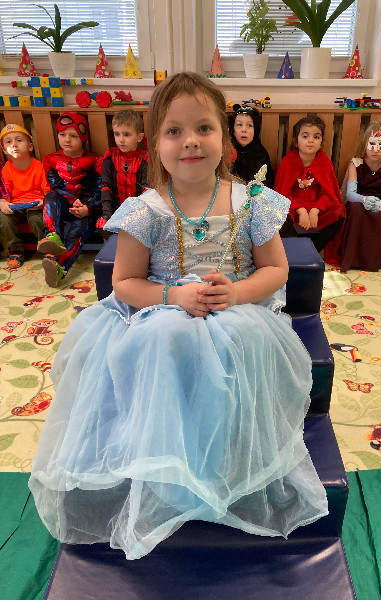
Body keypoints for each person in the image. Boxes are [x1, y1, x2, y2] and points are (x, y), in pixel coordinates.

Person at [29, 72, 328, 560]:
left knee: (238, 339)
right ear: (156, 145)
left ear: (226, 139)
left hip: (236, 310)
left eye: (204, 128)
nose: (190, 141)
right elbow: (126, 282)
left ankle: (222, 460)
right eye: (174, 131)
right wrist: (173, 296)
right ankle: (168, 466)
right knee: (168, 336)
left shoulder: (250, 202)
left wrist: (237, 292)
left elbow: (275, 269)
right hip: (163, 309)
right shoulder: (145, 209)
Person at [37, 112, 102, 287]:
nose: (67, 140)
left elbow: (101, 191)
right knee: (50, 196)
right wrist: (72, 199)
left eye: (73, 136)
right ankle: (52, 236)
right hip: (65, 204)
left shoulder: (94, 161)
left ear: (83, 137)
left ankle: (59, 267)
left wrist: (88, 208)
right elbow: (55, 186)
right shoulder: (51, 160)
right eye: (62, 134)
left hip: (88, 210)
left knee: (77, 231)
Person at [274, 116, 345, 266]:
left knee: (339, 214)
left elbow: (328, 193)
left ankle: (312, 250)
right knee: (279, 216)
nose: (311, 140)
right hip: (293, 207)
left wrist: (316, 210)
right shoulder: (287, 162)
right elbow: (282, 194)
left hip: (316, 206)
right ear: (296, 141)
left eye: (316, 137)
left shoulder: (325, 162)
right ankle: (296, 251)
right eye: (305, 136)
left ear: (321, 141)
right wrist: (300, 210)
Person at [339, 119, 381, 275]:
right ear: (365, 143)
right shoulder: (355, 163)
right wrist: (364, 199)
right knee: (355, 210)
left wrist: (380, 204)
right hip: (359, 202)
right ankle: (353, 259)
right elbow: (350, 194)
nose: (375, 150)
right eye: (372, 144)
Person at [0, 124, 49, 268]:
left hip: (35, 206)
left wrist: (43, 202)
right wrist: (3, 203)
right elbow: (5, 194)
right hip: (16, 207)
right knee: (3, 218)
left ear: (30, 146)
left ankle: (47, 248)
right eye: (8, 142)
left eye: (19, 140)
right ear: (4, 149)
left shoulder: (39, 166)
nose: (14, 144)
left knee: (35, 219)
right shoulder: (6, 169)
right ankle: (16, 250)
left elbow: (47, 192)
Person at [96, 109, 148, 233]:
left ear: (139, 137)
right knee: (103, 229)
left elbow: (147, 190)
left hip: (139, 212)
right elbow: (106, 186)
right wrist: (107, 214)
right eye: (117, 134)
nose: (121, 140)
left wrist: (138, 215)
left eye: (127, 134)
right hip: (115, 208)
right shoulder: (110, 155)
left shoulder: (145, 158)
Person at [229, 104, 275, 188]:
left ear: (256, 129)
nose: (244, 130)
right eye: (239, 125)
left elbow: (267, 184)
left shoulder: (261, 154)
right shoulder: (227, 152)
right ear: (233, 129)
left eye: (249, 125)